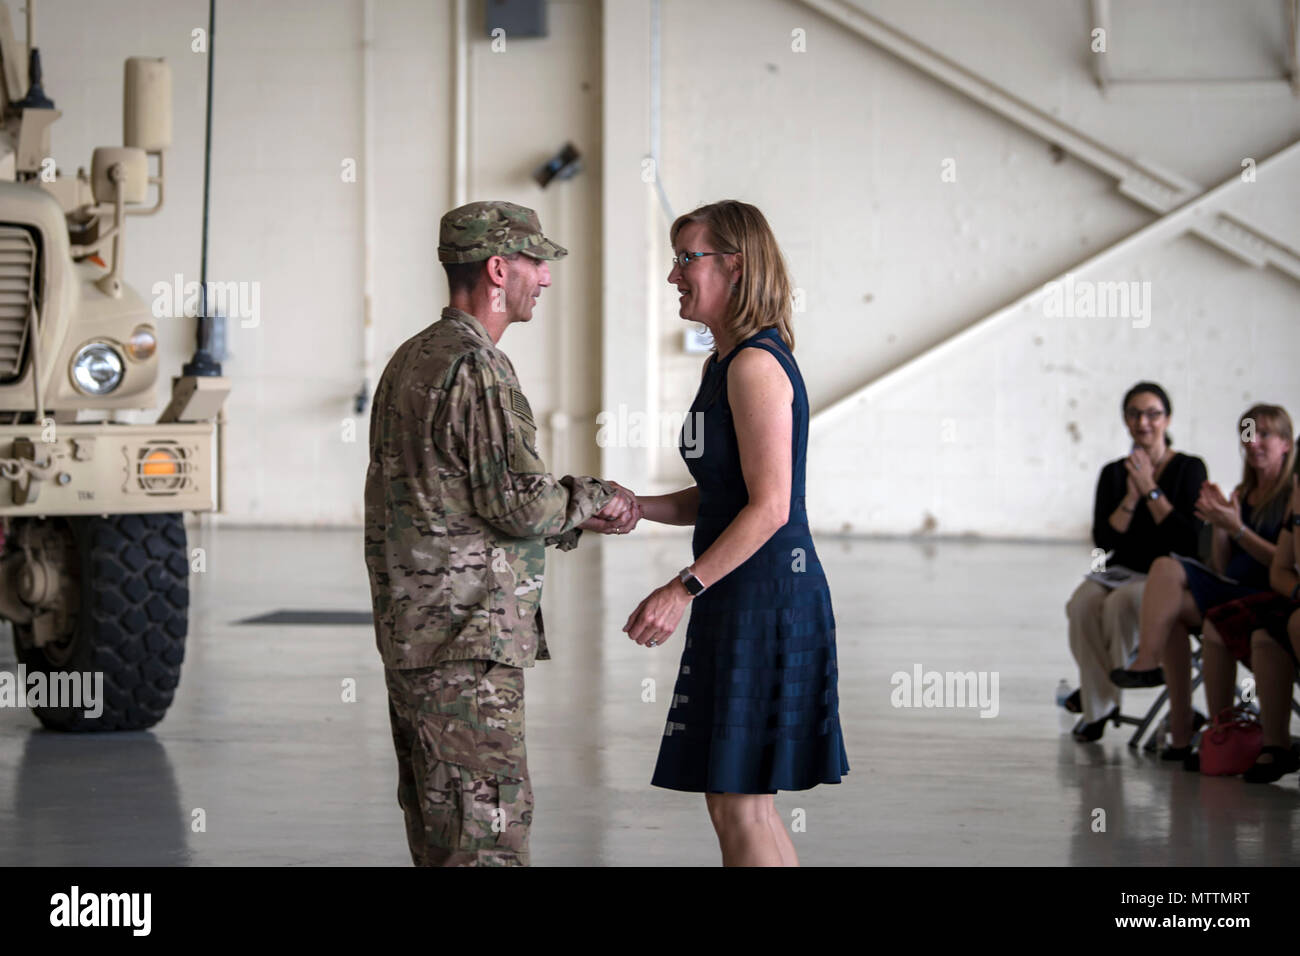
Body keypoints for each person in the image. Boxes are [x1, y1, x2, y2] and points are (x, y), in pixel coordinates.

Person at [363, 200, 637, 866]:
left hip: (417, 636)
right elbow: (517, 504)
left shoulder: (411, 359)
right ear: (496, 268)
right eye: (534, 262)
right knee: (486, 837)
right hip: (465, 647)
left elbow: (455, 496)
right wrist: (592, 498)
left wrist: (568, 511)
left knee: (440, 833)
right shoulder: (476, 368)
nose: (543, 278)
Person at [616, 200, 849, 867]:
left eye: (686, 259)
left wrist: (681, 588)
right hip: (738, 593)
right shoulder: (722, 364)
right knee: (740, 799)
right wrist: (639, 507)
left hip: (767, 597)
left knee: (737, 798)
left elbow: (771, 507)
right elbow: (725, 495)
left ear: (735, 266)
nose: (673, 276)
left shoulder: (754, 366)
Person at [1112, 404, 1294, 762]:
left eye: (1264, 434)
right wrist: (1222, 528)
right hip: (1234, 589)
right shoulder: (1244, 492)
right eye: (1247, 434)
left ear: (1286, 443)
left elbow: (1284, 565)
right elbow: (1224, 568)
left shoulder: (1291, 497)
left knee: (1167, 569)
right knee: (1171, 602)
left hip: (1267, 595)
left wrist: (1237, 529)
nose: (1253, 442)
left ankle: (1149, 666)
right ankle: (1187, 730)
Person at [1064, 382, 1206, 742]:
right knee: (1081, 602)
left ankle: (1097, 695)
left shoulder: (1189, 468)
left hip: (1165, 575)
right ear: (1126, 420)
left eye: (1152, 414)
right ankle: (1101, 702)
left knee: (1119, 605)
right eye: (1134, 414)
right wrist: (1130, 494)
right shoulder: (1113, 473)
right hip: (1121, 569)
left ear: (1167, 418)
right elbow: (1105, 541)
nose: (1143, 422)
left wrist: (1150, 489)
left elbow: (1186, 539)